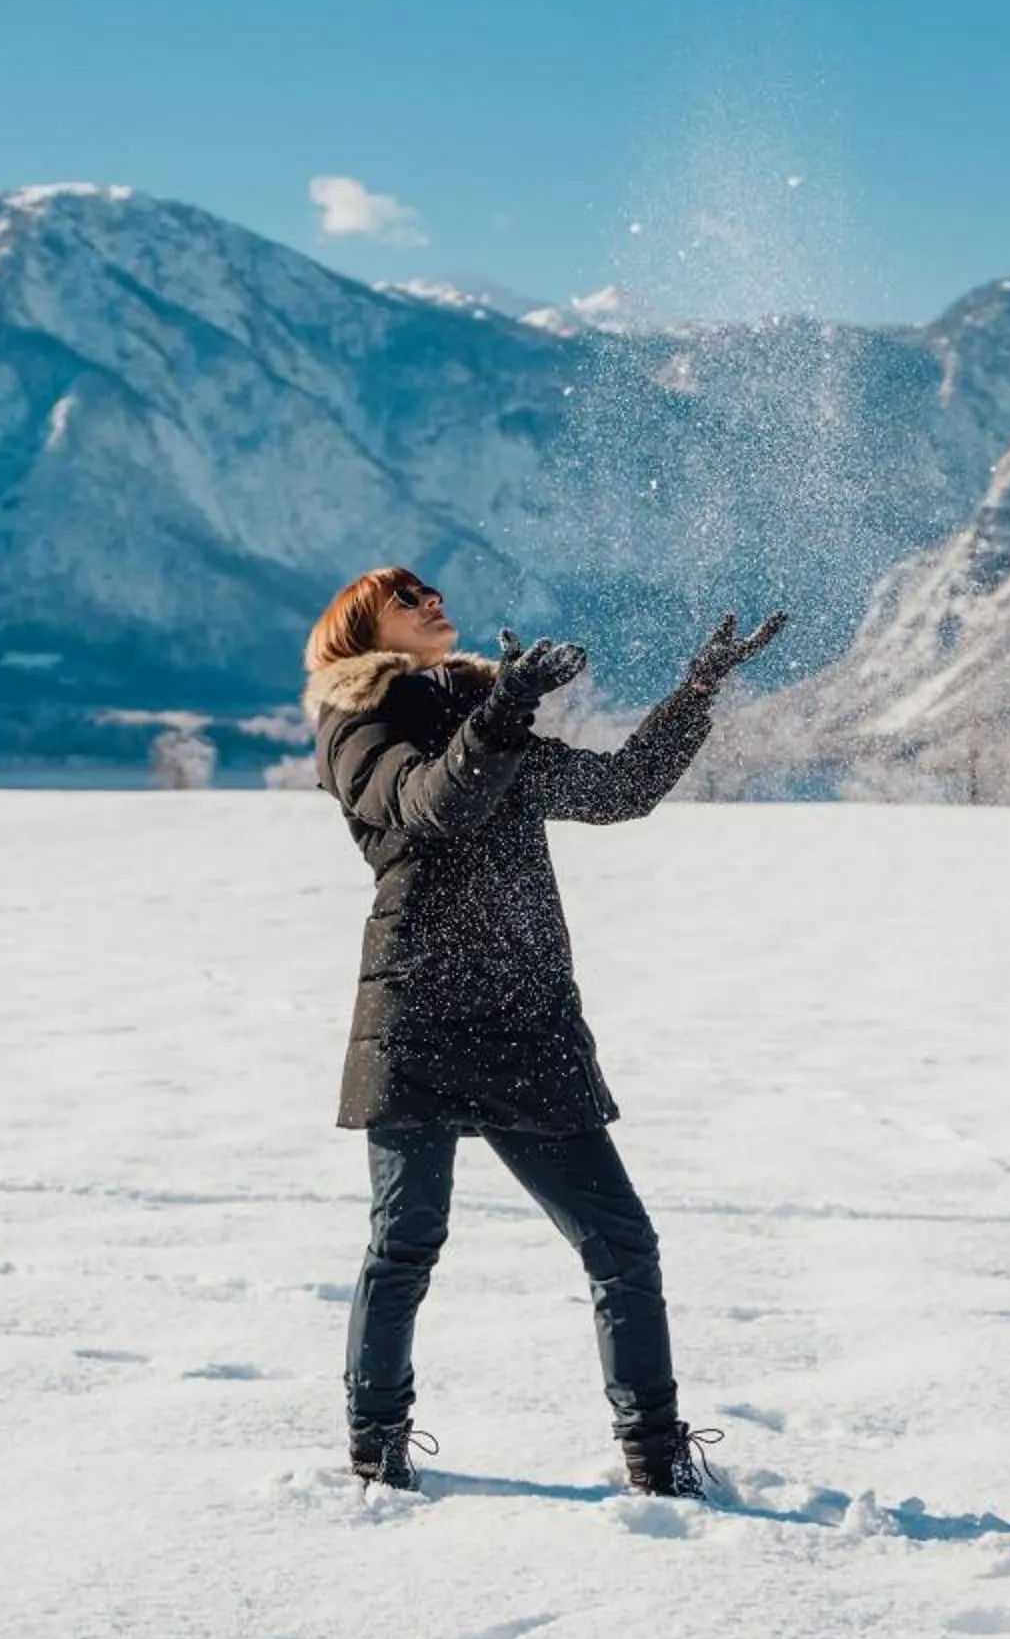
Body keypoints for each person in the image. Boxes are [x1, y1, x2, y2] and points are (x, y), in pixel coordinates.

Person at [301, 567, 786, 1497]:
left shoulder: (491, 714)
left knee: (621, 1242)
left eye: (438, 592)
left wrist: (695, 693)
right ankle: (375, 1449)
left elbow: (621, 789)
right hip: (422, 1010)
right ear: (363, 631)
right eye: (409, 600)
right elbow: (433, 803)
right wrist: (504, 710)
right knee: (406, 1239)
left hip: (526, 1015)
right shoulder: (356, 728)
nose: (436, 603)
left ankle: (655, 1456)